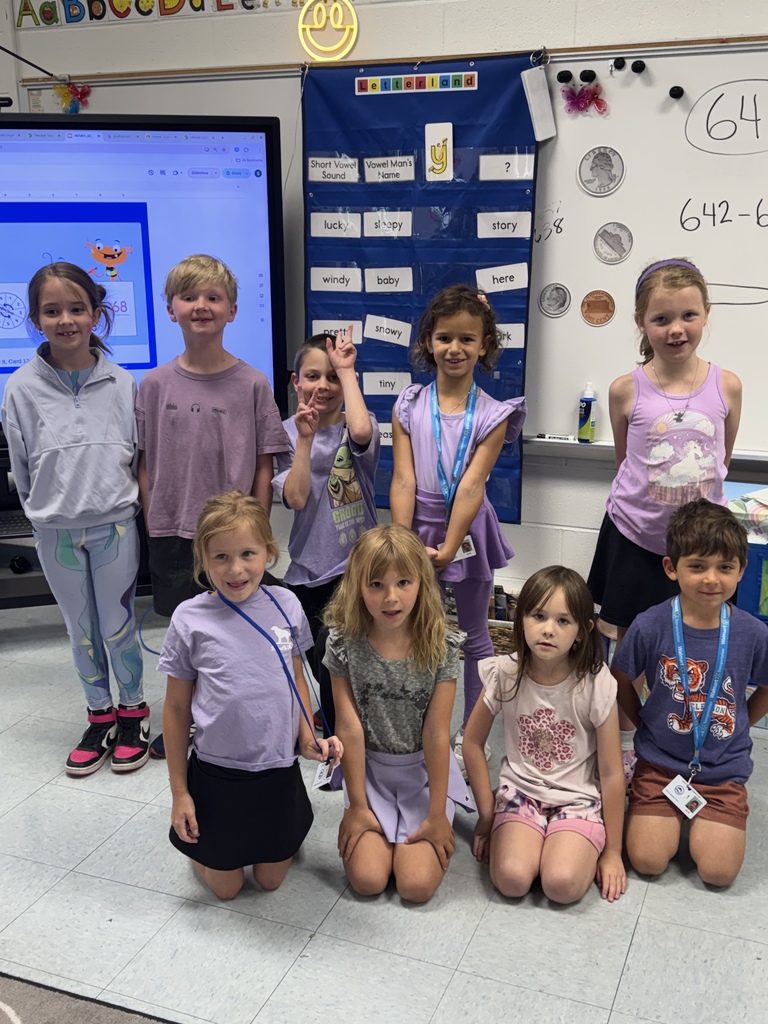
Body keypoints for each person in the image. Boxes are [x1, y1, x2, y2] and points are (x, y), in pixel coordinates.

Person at [587, 258, 743, 781]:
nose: (676, 329)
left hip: (701, 551)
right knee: (630, 643)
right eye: (661, 319)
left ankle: (686, 734)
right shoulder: (625, 389)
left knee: (692, 646)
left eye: (688, 315)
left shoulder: (728, 385)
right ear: (641, 323)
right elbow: (626, 463)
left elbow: (722, 461)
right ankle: (628, 745)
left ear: (705, 316)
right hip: (635, 539)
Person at [136, 254, 288, 757]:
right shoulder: (153, 385)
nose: (201, 306)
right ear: (171, 309)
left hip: (234, 540)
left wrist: (258, 535)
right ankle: (187, 720)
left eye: (213, 297)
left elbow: (265, 466)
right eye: (189, 296)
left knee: (235, 629)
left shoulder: (253, 383)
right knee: (187, 635)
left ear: (232, 311)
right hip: (174, 532)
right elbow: (145, 461)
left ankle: (229, 717)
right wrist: (151, 515)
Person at [159, 491, 343, 900]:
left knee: (270, 881)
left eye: (247, 553)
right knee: (226, 889)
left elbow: (296, 680)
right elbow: (174, 710)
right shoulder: (189, 619)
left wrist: (307, 738)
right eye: (220, 557)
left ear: (268, 553)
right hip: (218, 770)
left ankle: (256, 843)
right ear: (203, 560)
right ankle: (205, 852)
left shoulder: (287, 605)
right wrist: (179, 793)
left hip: (276, 766)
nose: (236, 569)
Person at [2, 262, 148, 775]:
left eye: (76, 308)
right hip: (55, 531)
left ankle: (133, 713)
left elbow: (134, 454)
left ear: (96, 314)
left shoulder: (123, 383)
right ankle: (100, 715)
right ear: (37, 319)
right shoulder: (20, 388)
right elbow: (20, 465)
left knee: (118, 624)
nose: (65, 319)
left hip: (114, 526)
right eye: (51, 310)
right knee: (79, 629)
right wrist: (43, 512)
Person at [390, 284, 526, 773]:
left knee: (474, 635)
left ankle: (473, 732)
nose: (455, 348)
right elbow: (403, 477)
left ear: (485, 345)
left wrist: (449, 546)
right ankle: (409, 726)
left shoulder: (494, 414)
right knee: (404, 626)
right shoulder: (407, 405)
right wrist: (402, 543)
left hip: (467, 529)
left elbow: (470, 487)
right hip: (416, 523)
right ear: (428, 340)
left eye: (467, 339)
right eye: (445, 337)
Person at [611, 499, 768, 887]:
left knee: (717, 873)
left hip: (723, 771)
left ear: (741, 571)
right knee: (647, 862)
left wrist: (743, 721)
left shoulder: (753, 633)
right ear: (671, 568)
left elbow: (766, 686)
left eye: (725, 567)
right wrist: (643, 719)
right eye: (697, 566)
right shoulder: (650, 625)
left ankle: (711, 813)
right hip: (660, 765)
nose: (711, 579)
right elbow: (618, 678)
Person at [323, 524, 475, 904]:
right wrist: (357, 806)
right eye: (376, 584)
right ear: (356, 586)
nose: (391, 598)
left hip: (422, 773)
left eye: (404, 582)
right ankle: (370, 817)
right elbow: (349, 728)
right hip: (369, 771)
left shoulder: (440, 646)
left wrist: (437, 814)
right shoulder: (343, 644)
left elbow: (437, 735)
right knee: (368, 879)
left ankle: (424, 821)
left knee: (416, 886)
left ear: (422, 583)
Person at [463, 566, 626, 904]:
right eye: (538, 616)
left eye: (563, 621)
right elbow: (472, 743)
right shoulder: (505, 672)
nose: (548, 630)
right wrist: (486, 817)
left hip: (577, 799)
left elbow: (611, 774)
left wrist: (613, 852)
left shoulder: (596, 684)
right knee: (512, 879)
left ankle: (569, 841)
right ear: (521, 620)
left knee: (560, 884)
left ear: (583, 631)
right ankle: (530, 835)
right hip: (521, 792)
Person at [273, 327, 379, 735]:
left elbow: (363, 433)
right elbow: (296, 497)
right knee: (321, 662)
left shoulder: (358, 425)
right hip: (306, 571)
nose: (324, 385)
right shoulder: (284, 433)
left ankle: (349, 742)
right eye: (314, 375)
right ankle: (341, 735)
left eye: (332, 376)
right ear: (296, 382)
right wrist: (304, 438)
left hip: (353, 570)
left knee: (347, 661)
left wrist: (347, 369)